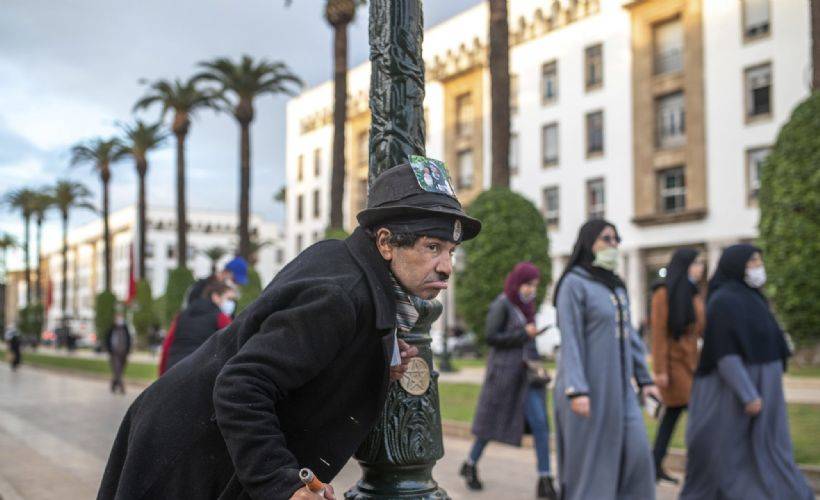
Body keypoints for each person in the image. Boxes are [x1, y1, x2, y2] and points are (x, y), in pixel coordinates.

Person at [97, 159, 481, 500]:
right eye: (433, 247)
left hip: (193, 438)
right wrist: (286, 486)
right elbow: (241, 386)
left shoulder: (348, 268)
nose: (447, 266)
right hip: (187, 452)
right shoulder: (340, 296)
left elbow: (308, 364)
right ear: (385, 242)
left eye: (451, 251)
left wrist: (375, 362)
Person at [680, 244, 812, 499]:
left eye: (758, 261)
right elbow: (725, 352)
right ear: (737, 264)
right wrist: (748, 394)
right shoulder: (723, 301)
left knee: (770, 446)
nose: (757, 267)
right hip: (739, 392)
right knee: (735, 454)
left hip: (765, 386)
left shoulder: (753, 297)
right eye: (752, 262)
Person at [552, 220, 660, 500]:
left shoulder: (616, 286)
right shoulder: (573, 284)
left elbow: (630, 338)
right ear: (589, 243)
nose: (614, 245)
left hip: (622, 392)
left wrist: (645, 379)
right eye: (607, 239)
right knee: (593, 468)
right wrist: (577, 389)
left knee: (638, 458)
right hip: (587, 390)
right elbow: (571, 339)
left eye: (616, 239)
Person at [461, 262, 557, 499]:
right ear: (517, 282)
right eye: (527, 283)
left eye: (534, 284)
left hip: (528, 377)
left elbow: (527, 342)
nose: (531, 289)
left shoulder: (528, 307)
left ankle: (545, 479)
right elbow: (492, 337)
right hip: (504, 376)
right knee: (490, 425)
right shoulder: (502, 304)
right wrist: (525, 334)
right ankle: (470, 463)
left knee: (540, 424)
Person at [649, 248, 705, 483]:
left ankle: (655, 463)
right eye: (696, 263)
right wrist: (660, 370)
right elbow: (659, 334)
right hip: (673, 365)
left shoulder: (693, 293)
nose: (700, 268)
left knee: (672, 417)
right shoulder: (663, 293)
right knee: (699, 417)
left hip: (690, 362)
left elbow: (700, 327)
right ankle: (701, 468)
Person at [158, 281, 236, 375]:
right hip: (200, 371)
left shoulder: (182, 315)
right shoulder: (221, 317)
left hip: (173, 368)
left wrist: (162, 375)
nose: (232, 303)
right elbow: (234, 343)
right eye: (229, 299)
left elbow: (167, 344)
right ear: (215, 297)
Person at [184, 256, 249, 307]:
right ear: (226, 272)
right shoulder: (200, 287)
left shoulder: (229, 295)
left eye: (238, 283)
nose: (235, 284)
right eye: (234, 280)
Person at [106, 313, 132, 394]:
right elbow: (107, 340)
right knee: (117, 370)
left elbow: (129, 341)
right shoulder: (112, 329)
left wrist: (127, 351)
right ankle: (122, 387)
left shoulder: (125, 329)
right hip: (114, 353)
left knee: (120, 371)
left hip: (123, 353)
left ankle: (114, 384)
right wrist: (109, 350)